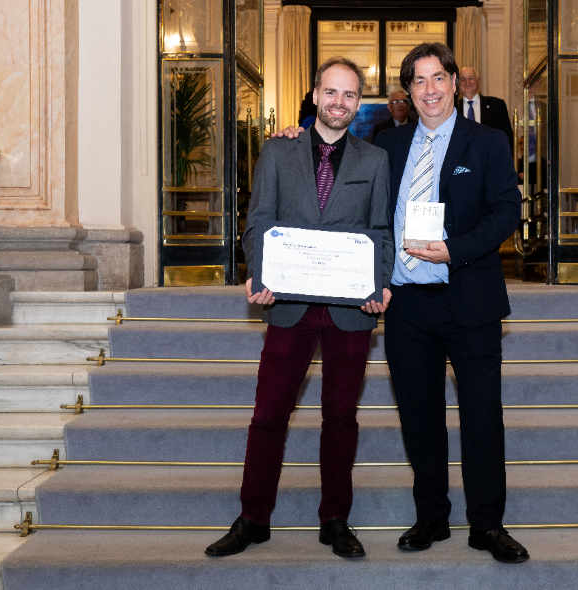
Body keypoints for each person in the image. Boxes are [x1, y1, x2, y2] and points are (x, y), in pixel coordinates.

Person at [204, 56, 394, 560]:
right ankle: (253, 517)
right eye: (330, 92)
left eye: (350, 95)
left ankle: (334, 519)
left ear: (358, 103)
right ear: (314, 96)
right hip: (287, 305)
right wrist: (261, 275)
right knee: (269, 415)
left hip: (351, 310)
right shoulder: (277, 150)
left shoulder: (374, 161)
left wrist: (382, 283)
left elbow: (381, 233)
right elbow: (258, 221)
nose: (339, 102)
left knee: (341, 418)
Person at [374, 43, 527, 563]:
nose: (430, 89)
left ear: (456, 82)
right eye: (419, 81)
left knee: (482, 415)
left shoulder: (486, 143)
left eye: (439, 77)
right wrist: (294, 136)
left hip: (470, 298)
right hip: (406, 304)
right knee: (419, 416)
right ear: (407, 91)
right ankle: (431, 518)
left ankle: (487, 525)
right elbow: (361, 206)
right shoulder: (386, 147)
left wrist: (453, 250)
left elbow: (507, 210)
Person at [457, 66, 514, 155]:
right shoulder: (452, 109)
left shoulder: (497, 105)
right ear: (458, 83)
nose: (467, 82)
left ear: (478, 81)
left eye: (471, 78)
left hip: (491, 163)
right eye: (463, 79)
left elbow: (507, 138)